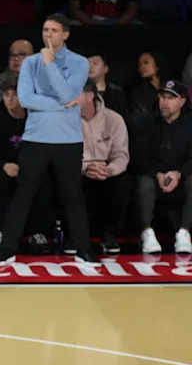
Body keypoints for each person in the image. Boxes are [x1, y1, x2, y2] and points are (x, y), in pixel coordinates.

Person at [0, 14, 98, 266]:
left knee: (72, 196)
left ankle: (83, 250)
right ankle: (7, 249)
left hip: (68, 140)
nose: (48, 34)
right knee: (23, 194)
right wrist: (63, 104)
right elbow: (27, 99)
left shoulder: (79, 63)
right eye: (45, 29)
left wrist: (50, 65)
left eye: (53, 30)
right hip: (36, 138)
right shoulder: (30, 63)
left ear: (66, 34)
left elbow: (69, 92)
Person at [0, 79, 52, 254]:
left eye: (15, 94)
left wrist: (30, 166)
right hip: (2, 170)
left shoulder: (37, 122)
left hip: (30, 169)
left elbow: (46, 150)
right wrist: (3, 165)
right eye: (6, 95)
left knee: (44, 181)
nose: (10, 99)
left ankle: (37, 233)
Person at [131, 80, 192, 254]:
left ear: (182, 101)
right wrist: (156, 174)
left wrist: (178, 174)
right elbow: (138, 158)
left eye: (171, 98)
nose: (165, 102)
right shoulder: (146, 123)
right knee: (143, 182)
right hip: (154, 176)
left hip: (181, 176)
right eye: (162, 97)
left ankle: (184, 232)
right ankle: (147, 232)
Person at [79, 79, 130, 255]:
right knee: (64, 177)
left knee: (123, 182)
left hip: (107, 172)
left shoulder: (114, 119)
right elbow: (65, 155)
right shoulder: (66, 120)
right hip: (81, 172)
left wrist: (109, 169)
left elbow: (121, 155)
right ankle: (75, 233)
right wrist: (86, 168)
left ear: (89, 96)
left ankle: (108, 232)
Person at [0, 39, 33, 115]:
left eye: (22, 54)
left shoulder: (41, 78)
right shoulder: (1, 80)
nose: (16, 59)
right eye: (12, 55)